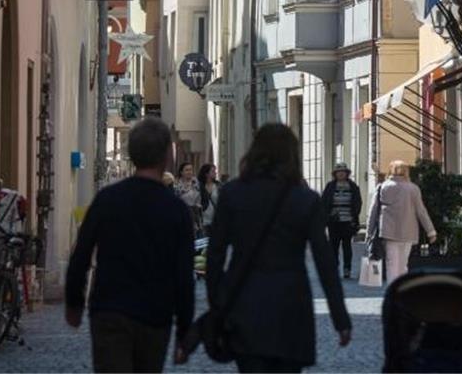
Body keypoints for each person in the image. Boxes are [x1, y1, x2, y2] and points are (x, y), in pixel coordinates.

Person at [186, 124, 352, 372]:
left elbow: (215, 255)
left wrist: (218, 303)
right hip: (291, 305)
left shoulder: (232, 194)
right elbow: (324, 261)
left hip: (245, 304)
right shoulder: (306, 200)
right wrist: (340, 317)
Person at [65, 119, 195, 373]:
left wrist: (74, 303)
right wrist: (184, 331)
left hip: (110, 310)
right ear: (167, 156)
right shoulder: (176, 209)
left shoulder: (108, 200)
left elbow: (81, 254)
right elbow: (183, 275)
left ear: (132, 154)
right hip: (155, 314)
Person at [366, 160, 436, 283]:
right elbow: (421, 211)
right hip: (408, 232)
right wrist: (431, 231)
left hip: (388, 231)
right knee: (403, 264)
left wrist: (369, 231)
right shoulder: (413, 189)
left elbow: (373, 211)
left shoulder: (383, 187)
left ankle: (392, 290)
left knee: (391, 263)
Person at [320, 162, 362, 279]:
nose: (341, 174)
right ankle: (334, 269)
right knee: (333, 247)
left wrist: (354, 215)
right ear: (335, 174)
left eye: (343, 172)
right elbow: (324, 202)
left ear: (347, 173)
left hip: (348, 221)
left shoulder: (353, 186)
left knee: (347, 246)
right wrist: (327, 215)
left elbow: (358, 202)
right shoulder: (330, 186)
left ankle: (347, 269)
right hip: (333, 221)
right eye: (339, 172)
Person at [197, 163, 219, 237]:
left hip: (216, 219)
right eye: (213, 171)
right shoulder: (199, 186)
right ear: (206, 174)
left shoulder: (218, 186)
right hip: (203, 219)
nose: (215, 172)